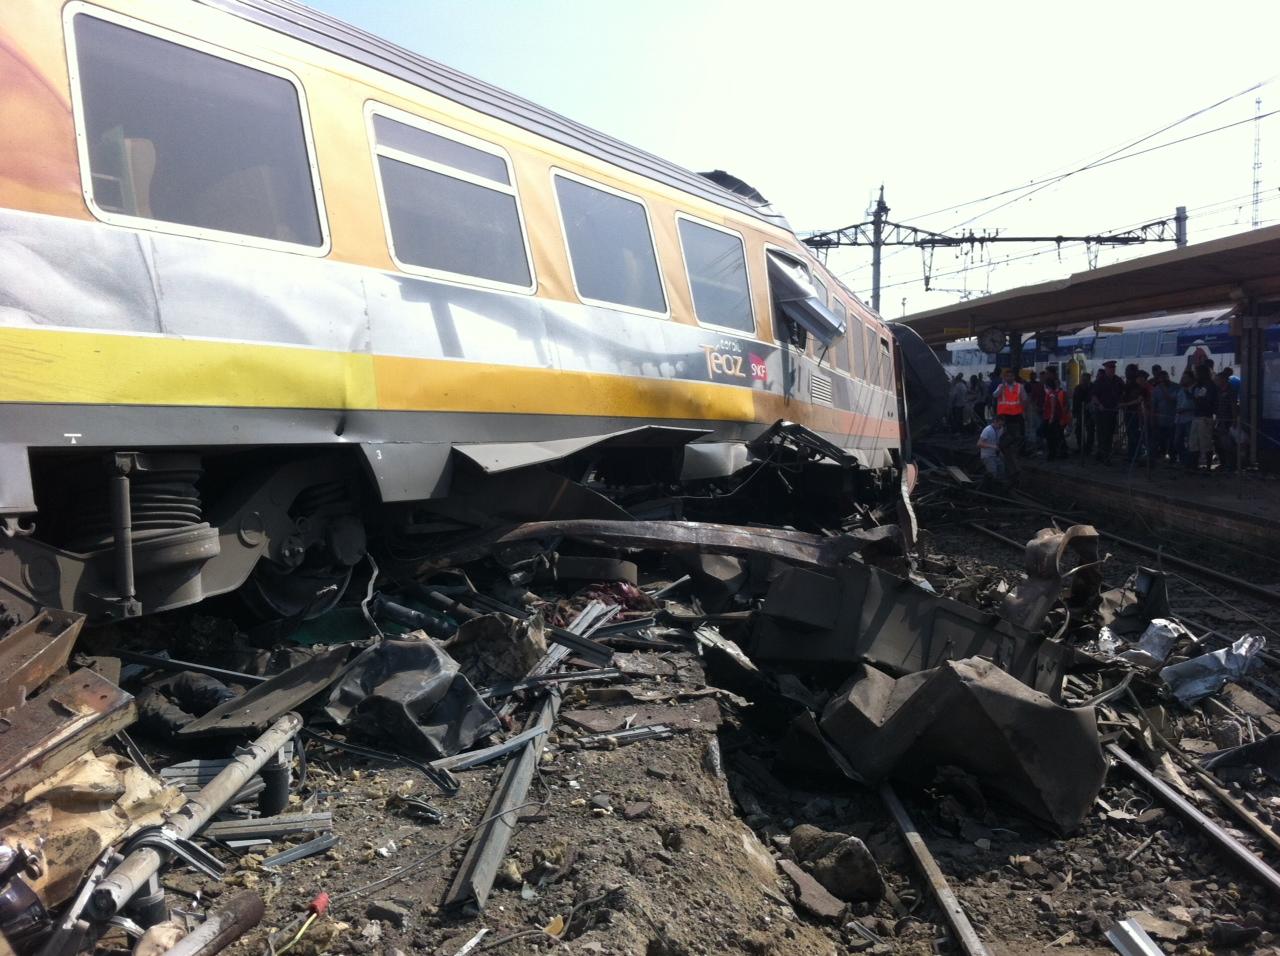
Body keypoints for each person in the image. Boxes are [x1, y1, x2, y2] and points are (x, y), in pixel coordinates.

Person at [994, 367, 1027, 476]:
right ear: (1004, 377)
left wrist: (1024, 412)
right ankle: (1005, 456)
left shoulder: (1019, 387)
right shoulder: (1001, 386)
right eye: (1007, 376)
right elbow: (995, 395)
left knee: (1014, 437)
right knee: (1004, 438)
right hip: (1004, 416)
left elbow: (1024, 399)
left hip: (1016, 416)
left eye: (1011, 376)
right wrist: (1002, 387)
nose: (1010, 378)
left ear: (1014, 377)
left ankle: (1011, 457)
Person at [1188, 364, 1218, 471]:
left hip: (1205, 417)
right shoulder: (1198, 385)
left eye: (1196, 372)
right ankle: (1194, 466)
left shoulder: (1209, 386)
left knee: (1206, 443)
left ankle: (1208, 467)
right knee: (1193, 442)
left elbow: (1208, 402)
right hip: (1196, 416)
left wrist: (1197, 400)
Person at [1092, 360, 1122, 465]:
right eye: (1110, 368)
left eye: (1113, 368)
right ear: (1106, 369)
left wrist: (1120, 402)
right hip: (1101, 412)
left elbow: (1123, 392)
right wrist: (1099, 404)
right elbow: (1094, 395)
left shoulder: (1118, 380)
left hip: (1112, 411)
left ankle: (1103, 453)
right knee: (1102, 434)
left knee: (1109, 434)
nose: (1112, 369)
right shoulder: (1100, 381)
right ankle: (1104, 455)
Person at [1042, 373, 1071, 461]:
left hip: (1054, 419)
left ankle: (1055, 453)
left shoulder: (1052, 394)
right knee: (1056, 436)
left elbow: (1054, 406)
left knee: (1053, 437)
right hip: (1055, 418)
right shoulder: (1053, 393)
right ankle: (1058, 452)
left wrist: (1051, 417)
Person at [1214, 370, 1238, 472]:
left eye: (1218, 379)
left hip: (1227, 420)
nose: (1216, 381)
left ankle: (1230, 465)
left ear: (1223, 380)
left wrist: (1234, 419)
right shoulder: (1218, 391)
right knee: (1218, 443)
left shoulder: (1230, 391)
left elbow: (1233, 406)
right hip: (1219, 420)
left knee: (1227, 444)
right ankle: (1223, 463)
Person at [1150, 369, 1176, 462]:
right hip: (1160, 420)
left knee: (1173, 440)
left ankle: (1173, 458)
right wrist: (1153, 418)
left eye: (1165, 377)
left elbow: (1172, 399)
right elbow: (1154, 405)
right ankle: (1162, 456)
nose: (1164, 380)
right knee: (1162, 440)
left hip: (1173, 419)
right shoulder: (1156, 390)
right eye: (1161, 378)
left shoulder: (1175, 387)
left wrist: (1163, 389)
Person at [1173, 370, 1195, 467]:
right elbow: (1174, 398)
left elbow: (1195, 402)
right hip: (1179, 419)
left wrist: (1185, 409)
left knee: (1190, 442)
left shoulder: (1194, 389)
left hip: (1190, 419)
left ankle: (1189, 463)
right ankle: (1183, 460)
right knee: (1177, 441)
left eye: (1186, 377)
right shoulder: (1180, 389)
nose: (1183, 379)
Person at [1072, 371, 1095, 456]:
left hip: (1089, 412)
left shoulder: (1092, 387)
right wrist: (1074, 412)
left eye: (1084, 380)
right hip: (1079, 412)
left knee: (1090, 430)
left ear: (1088, 380)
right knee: (1078, 430)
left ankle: (1089, 448)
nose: (1083, 381)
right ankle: (1081, 447)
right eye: (1082, 379)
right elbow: (1075, 400)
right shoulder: (1078, 388)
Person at [977, 416, 1005, 480]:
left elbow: (998, 440)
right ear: (995, 422)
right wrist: (992, 446)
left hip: (996, 455)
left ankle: (1000, 486)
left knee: (1002, 470)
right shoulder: (987, 430)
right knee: (993, 473)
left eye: (1002, 424)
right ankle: (991, 487)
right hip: (987, 456)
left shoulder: (1001, 429)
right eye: (999, 424)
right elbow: (979, 443)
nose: (1001, 426)